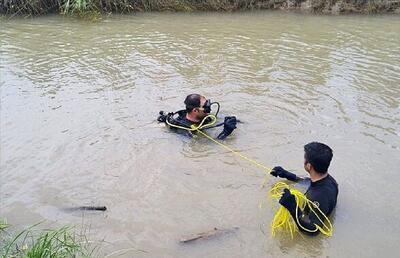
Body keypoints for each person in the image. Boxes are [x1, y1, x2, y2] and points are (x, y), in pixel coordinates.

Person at [270, 142, 338, 236]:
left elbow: (313, 231)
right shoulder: (330, 180)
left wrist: (293, 207)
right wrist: (287, 175)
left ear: (309, 166)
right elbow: (309, 182)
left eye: (304, 158)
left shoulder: (317, 198)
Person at [157, 93, 237, 140]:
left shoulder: (205, 116)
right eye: (206, 106)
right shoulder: (185, 129)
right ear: (195, 110)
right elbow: (205, 145)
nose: (209, 109)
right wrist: (225, 133)